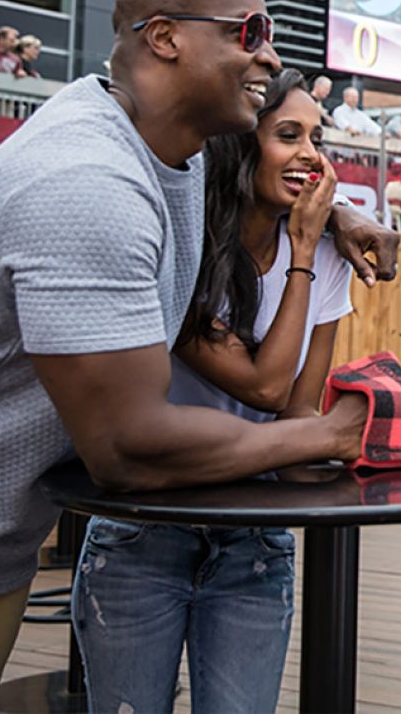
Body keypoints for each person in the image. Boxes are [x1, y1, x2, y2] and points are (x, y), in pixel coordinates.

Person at [0, 0, 396, 714]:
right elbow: (128, 446)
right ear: (163, 38)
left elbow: (252, 181)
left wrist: (337, 221)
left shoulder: (172, 156)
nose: (270, 53)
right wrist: (330, 435)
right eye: (248, 31)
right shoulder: (88, 180)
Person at [72, 69, 353, 712]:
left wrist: (317, 245)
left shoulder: (332, 254)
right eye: (289, 135)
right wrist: (305, 250)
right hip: (144, 528)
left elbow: (297, 412)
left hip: (255, 538)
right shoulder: (179, 246)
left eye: (317, 137)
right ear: (239, 144)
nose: (311, 154)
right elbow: (266, 387)